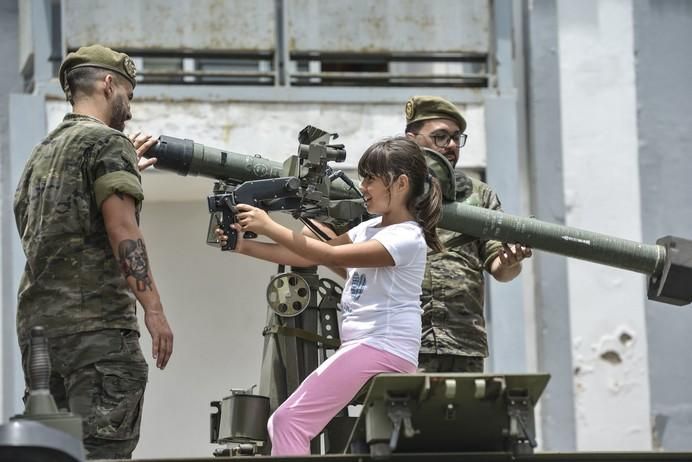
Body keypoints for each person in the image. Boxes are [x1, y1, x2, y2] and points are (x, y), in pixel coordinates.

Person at [217, 137, 443, 456]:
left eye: (370, 178)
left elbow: (325, 252)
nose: (362, 186)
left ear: (401, 183)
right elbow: (314, 258)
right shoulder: (370, 229)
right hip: (370, 347)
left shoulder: (406, 237)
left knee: (288, 422)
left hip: (381, 346)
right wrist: (243, 245)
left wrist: (268, 225)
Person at [13, 44, 173, 459]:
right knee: (103, 452)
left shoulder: (39, 157)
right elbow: (122, 227)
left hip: (40, 338)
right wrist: (153, 307)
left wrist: (121, 170)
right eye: (128, 96)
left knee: (55, 454)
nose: (130, 111)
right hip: (97, 333)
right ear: (108, 85)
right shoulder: (108, 143)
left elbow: (52, 228)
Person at [404, 95, 532, 373]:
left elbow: (500, 269)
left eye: (456, 137)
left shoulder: (478, 194)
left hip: (463, 341)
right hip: (403, 341)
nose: (450, 145)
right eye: (440, 137)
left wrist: (512, 261)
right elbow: (334, 240)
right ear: (412, 139)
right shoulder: (390, 188)